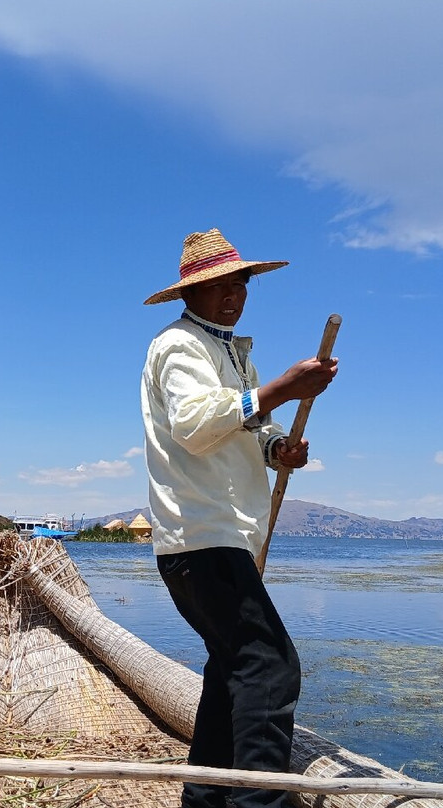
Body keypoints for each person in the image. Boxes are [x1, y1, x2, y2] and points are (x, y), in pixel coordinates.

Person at [140, 228, 338, 808]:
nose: (232, 295)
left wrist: (278, 449)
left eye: (239, 283)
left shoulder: (228, 351)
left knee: (233, 668)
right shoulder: (179, 345)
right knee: (270, 667)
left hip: (221, 536)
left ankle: (207, 798)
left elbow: (244, 427)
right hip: (202, 534)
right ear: (190, 293)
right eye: (218, 285)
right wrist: (281, 388)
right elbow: (197, 427)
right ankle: (260, 802)